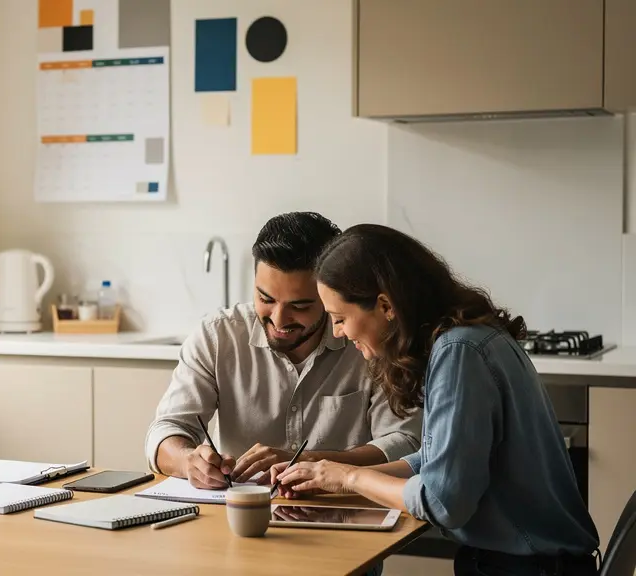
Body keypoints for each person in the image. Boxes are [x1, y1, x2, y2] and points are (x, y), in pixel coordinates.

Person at [272, 224, 599, 576]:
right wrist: (327, 479)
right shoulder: (467, 339)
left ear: (385, 305)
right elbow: (438, 459)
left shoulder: (459, 352)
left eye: (340, 319)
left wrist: (350, 478)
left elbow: (442, 501)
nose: (337, 332)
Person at [145, 212, 421, 490]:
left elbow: (405, 442)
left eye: (299, 306)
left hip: (346, 507)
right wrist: (188, 462)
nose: (279, 319)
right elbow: (165, 431)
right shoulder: (218, 336)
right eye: (265, 299)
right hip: (239, 514)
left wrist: (312, 462)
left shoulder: (367, 338)